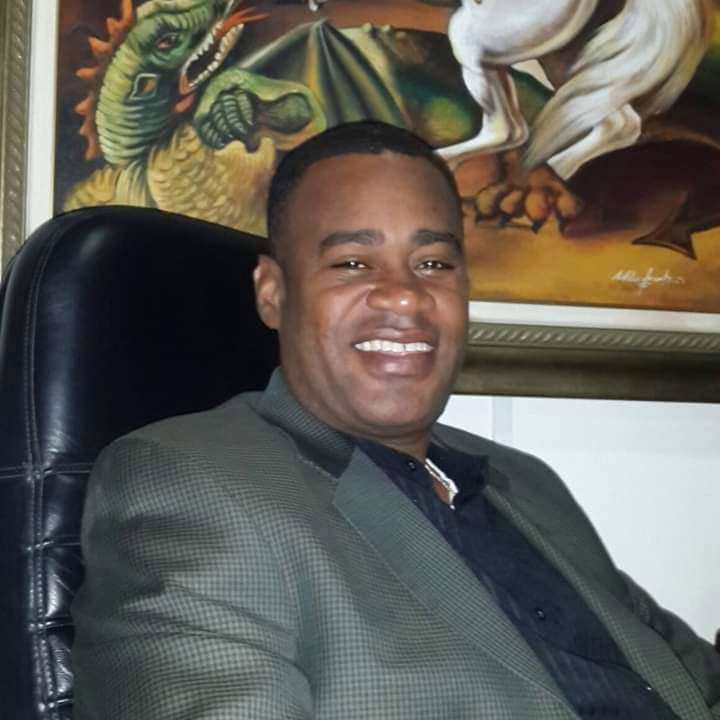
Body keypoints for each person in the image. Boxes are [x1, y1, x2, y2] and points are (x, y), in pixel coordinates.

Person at [72, 121, 720, 719]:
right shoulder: (190, 485)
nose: (406, 296)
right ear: (273, 293)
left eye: (434, 263)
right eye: (353, 263)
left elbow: (692, 679)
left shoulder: (527, 484)